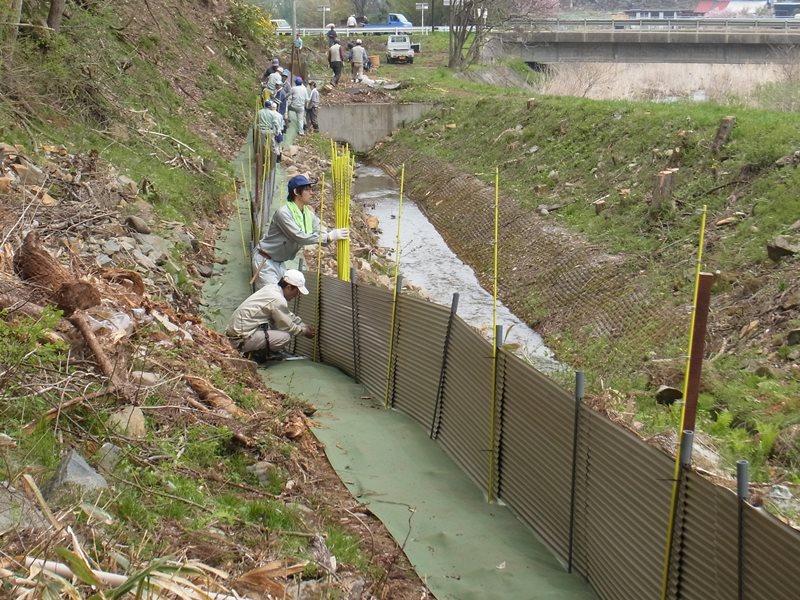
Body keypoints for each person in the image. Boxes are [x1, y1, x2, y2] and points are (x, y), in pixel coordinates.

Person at [252, 175, 349, 289]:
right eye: (307, 189)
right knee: (271, 298)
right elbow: (299, 236)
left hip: (279, 262)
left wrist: (328, 236)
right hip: (265, 261)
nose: (311, 193)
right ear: (296, 192)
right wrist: (328, 236)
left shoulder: (307, 214)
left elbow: (320, 230)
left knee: (280, 295)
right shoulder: (283, 213)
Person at [226, 270, 315, 361]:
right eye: (297, 291)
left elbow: (287, 314)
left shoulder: (272, 288)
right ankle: (258, 355)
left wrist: (303, 325)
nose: (296, 295)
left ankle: (259, 351)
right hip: (240, 339)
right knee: (285, 337)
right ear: (289, 287)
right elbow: (287, 326)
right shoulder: (278, 299)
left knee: (274, 322)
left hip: (237, 333)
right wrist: (304, 331)